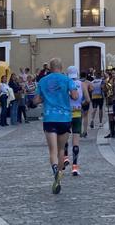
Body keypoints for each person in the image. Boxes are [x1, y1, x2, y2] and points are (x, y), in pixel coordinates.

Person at [34, 58, 79, 194]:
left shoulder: (42, 81)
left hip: (49, 117)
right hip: (65, 117)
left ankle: (55, 170)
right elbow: (75, 96)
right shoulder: (67, 80)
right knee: (61, 150)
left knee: (52, 150)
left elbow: (36, 100)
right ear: (61, 67)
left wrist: (44, 98)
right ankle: (59, 174)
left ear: (50, 68)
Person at [64, 66, 86, 176]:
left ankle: (65, 157)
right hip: (77, 113)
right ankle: (75, 166)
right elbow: (87, 99)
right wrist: (81, 103)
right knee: (76, 140)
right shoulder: (81, 84)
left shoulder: (65, 84)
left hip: (67, 114)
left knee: (65, 138)